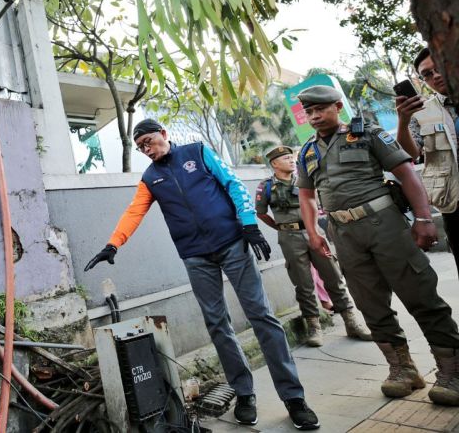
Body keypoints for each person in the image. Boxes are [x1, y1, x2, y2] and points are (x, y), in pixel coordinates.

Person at [85, 119, 320, 430]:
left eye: (150, 142)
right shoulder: (151, 177)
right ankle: (244, 393)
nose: (147, 150)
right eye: (141, 147)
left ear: (164, 135)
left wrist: (249, 224)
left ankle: (293, 398)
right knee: (217, 324)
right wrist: (113, 244)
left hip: (233, 245)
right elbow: (134, 211)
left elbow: (233, 183)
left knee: (261, 315)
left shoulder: (197, 152)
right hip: (195, 256)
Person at [296, 85, 459, 406]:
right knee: (370, 303)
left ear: (337, 106)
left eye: (320, 109)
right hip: (344, 234)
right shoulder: (307, 151)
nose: (314, 117)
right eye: (309, 112)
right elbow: (306, 195)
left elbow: (406, 172)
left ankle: (452, 371)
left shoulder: (368, 134)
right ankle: (402, 369)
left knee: (420, 293)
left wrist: (424, 219)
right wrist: (314, 233)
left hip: (384, 224)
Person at [256, 145, 371, 347]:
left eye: (291, 158)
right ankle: (314, 327)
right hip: (289, 236)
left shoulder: (305, 180)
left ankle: (351, 322)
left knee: (333, 275)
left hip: (314, 232)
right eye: (285, 159)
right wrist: (281, 228)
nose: (291, 161)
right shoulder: (266, 186)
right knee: (303, 283)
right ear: (274, 164)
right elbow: (261, 213)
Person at [396, 47, 459, 274]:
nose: (436, 76)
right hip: (454, 205)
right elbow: (410, 154)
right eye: (428, 74)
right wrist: (403, 121)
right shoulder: (420, 113)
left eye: (439, 67)